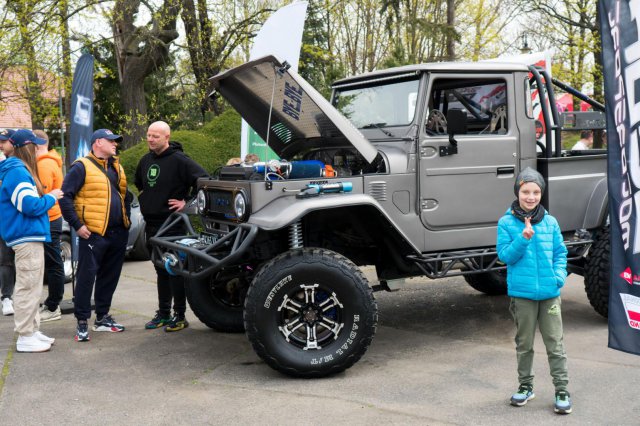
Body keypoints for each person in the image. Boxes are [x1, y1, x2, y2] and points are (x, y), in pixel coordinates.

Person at [497, 167, 571, 414]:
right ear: (517, 192)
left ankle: (562, 389)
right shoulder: (506, 223)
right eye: (525, 191)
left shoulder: (550, 222)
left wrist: (558, 277)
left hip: (550, 294)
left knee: (555, 344)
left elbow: (561, 253)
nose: (531, 196)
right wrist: (523, 238)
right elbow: (504, 255)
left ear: (541, 193)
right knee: (524, 344)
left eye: (536, 192)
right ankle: (526, 386)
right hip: (523, 296)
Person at [135, 121, 208, 332]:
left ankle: (180, 315)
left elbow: (204, 180)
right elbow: (141, 184)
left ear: (167, 137)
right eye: (148, 135)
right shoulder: (145, 160)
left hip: (173, 226)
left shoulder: (180, 160)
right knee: (160, 270)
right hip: (152, 224)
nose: (150, 139)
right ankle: (164, 313)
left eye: (155, 136)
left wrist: (188, 203)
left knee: (174, 270)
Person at [60, 129, 131, 342]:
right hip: (94, 233)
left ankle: (102, 318)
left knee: (110, 276)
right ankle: (82, 321)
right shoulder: (81, 166)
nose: (115, 144)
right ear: (97, 142)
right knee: (86, 277)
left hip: (118, 232)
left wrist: (126, 219)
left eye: (116, 142)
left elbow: (125, 195)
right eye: (111, 141)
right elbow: (65, 198)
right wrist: (78, 225)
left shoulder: (116, 166)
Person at [0, 129, 63, 352]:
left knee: (33, 287)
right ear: (27, 148)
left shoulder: (16, 170)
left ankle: (32, 331)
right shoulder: (18, 171)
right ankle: (25, 336)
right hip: (25, 236)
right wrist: (51, 197)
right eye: (34, 146)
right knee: (28, 287)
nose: (38, 149)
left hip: (27, 236)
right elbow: (28, 205)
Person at [34, 129, 65, 322]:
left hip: (49, 218)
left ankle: (53, 306)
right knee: (52, 263)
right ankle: (52, 304)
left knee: (53, 263)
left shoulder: (44, 165)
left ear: (35, 145)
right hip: (51, 218)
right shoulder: (47, 161)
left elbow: (41, 198)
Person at [0, 129, 16, 316]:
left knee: (7, 260)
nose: (1, 144)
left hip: (9, 221)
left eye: (4, 141)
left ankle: (7, 297)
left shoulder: (14, 166)